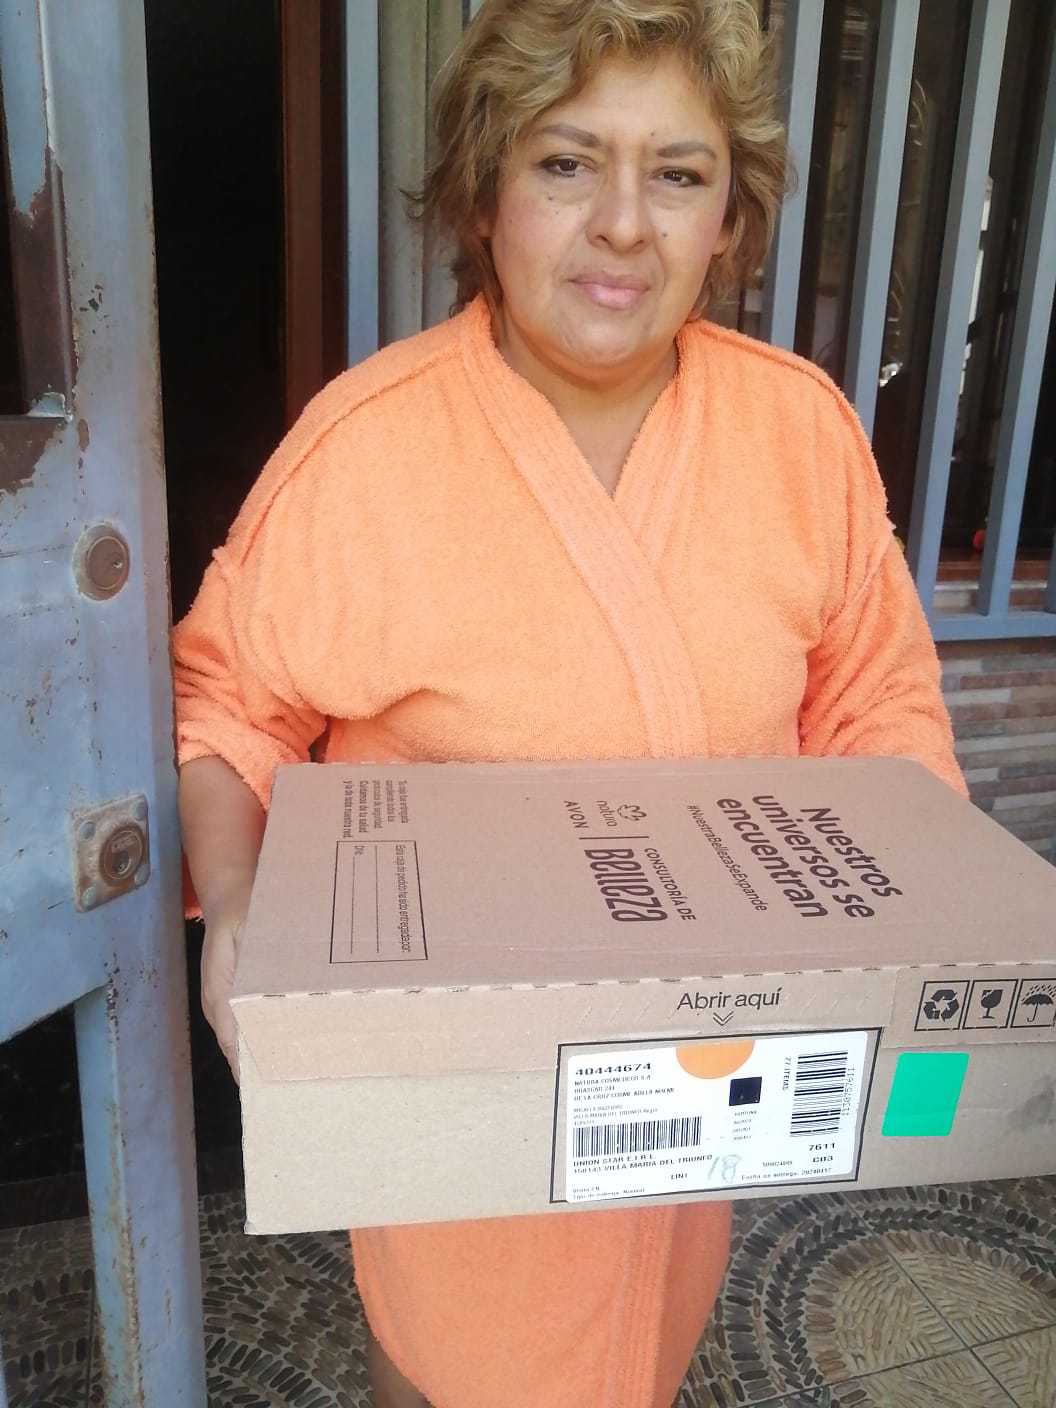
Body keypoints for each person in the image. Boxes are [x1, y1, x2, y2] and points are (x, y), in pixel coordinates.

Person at [173, 2, 967, 1404]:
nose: (622, 225)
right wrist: (237, 899)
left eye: (678, 174)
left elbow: (878, 705)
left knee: (642, 1349)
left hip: (701, 1094)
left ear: (730, 222)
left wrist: (903, 932)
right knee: (447, 1366)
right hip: (449, 1110)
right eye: (565, 163)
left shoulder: (801, 434)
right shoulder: (366, 448)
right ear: (485, 195)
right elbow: (227, 704)